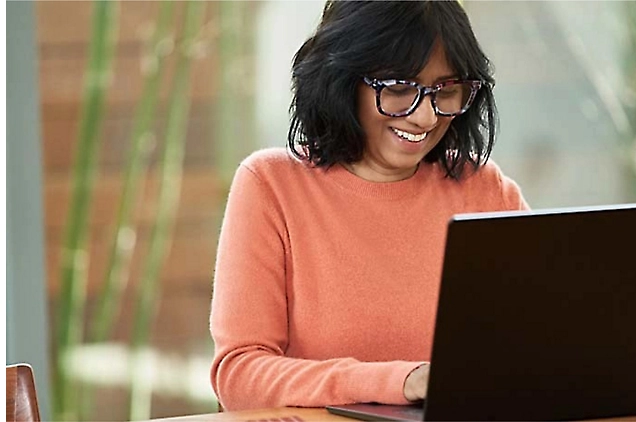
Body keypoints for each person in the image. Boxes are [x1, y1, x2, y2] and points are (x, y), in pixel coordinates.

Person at [209, 0, 529, 412]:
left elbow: (541, 344)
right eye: (399, 89)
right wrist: (401, 381)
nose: (426, 116)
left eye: (446, 91)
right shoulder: (270, 185)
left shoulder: (485, 191)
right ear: (340, 80)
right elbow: (240, 374)